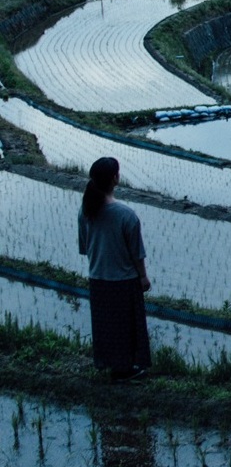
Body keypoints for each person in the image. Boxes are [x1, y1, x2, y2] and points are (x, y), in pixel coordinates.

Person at [78, 156, 151, 381]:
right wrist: (144, 277)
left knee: (107, 326)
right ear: (115, 179)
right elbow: (137, 254)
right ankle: (124, 371)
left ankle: (109, 365)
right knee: (126, 328)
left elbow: (84, 247)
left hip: (98, 279)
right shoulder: (126, 215)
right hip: (123, 281)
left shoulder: (86, 211)